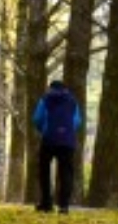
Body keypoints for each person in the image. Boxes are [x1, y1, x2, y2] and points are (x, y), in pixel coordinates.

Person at [32, 79, 82, 213]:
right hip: (67, 141)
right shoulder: (73, 101)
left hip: (49, 139)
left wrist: (44, 130)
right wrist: (68, 132)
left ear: (50, 88)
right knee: (66, 172)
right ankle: (64, 205)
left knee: (44, 170)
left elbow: (37, 118)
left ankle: (46, 203)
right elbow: (77, 121)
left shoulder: (45, 99)